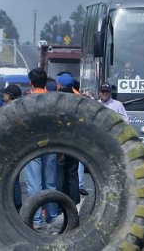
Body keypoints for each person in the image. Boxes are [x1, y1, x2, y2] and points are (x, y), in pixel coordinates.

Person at [24, 68, 58, 228]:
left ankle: (36, 219)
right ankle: (52, 218)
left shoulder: (26, 101)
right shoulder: (53, 100)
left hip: (32, 145)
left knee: (34, 185)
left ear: (31, 83)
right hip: (50, 143)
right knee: (50, 183)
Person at [56, 74, 81, 205]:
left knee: (59, 173)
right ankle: (74, 203)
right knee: (73, 173)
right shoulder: (78, 99)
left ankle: (60, 203)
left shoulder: (57, 98)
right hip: (75, 140)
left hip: (60, 140)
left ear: (60, 85)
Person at [0, 83, 25, 210]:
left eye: (5, 94)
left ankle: (10, 204)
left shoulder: (6, 110)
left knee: (7, 178)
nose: (3, 96)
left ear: (9, 96)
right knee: (15, 177)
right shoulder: (21, 109)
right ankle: (17, 204)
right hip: (19, 146)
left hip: (7, 147)